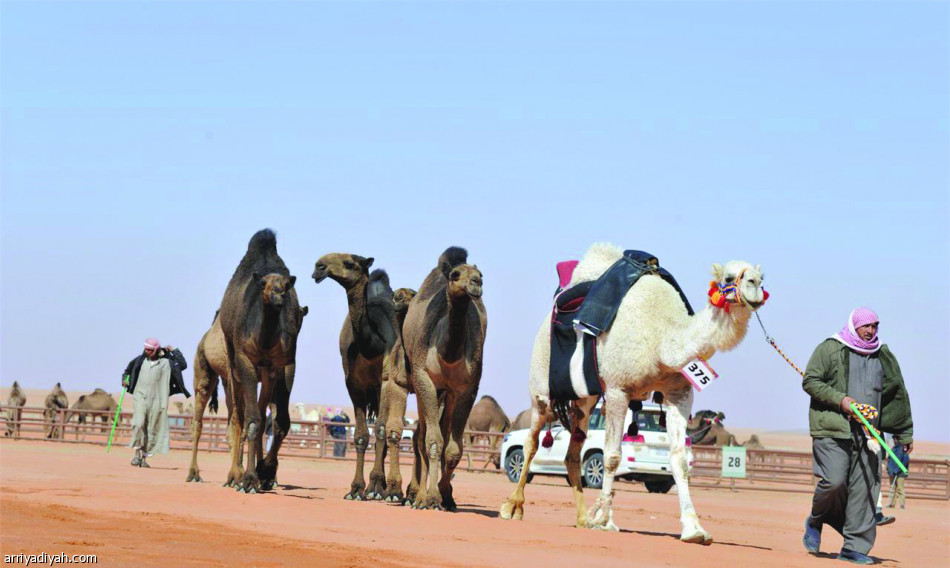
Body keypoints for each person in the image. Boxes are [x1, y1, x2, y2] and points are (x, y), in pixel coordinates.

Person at [801, 308, 913, 565]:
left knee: (865, 491)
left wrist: (904, 432)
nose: (871, 331)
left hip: (869, 434)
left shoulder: (882, 354)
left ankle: (854, 547)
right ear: (854, 326)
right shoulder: (830, 348)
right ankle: (817, 519)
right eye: (866, 326)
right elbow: (810, 381)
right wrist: (843, 401)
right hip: (833, 430)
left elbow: (896, 394)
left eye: (875, 326)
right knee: (834, 481)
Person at [122, 338, 190, 468]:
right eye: (145, 349)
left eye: (150, 350)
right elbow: (128, 371)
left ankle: (143, 457)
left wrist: (175, 351)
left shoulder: (167, 363)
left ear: (156, 349)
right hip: (140, 397)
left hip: (158, 399)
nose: (147, 352)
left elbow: (182, 365)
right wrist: (125, 380)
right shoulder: (140, 361)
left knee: (151, 428)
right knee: (138, 423)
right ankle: (136, 454)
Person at [886, 438, 910, 510]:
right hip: (892, 472)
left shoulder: (903, 450)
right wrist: (890, 469)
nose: (895, 440)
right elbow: (890, 459)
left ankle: (902, 505)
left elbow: (905, 461)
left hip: (900, 473)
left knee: (900, 489)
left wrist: (898, 470)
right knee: (892, 488)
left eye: (896, 439)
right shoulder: (893, 449)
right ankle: (891, 504)